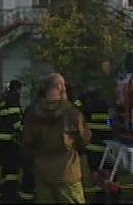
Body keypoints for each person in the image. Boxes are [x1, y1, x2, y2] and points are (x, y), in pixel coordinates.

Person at [21, 73, 91, 204]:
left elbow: (26, 143)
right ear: (60, 87)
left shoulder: (32, 114)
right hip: (67, 174)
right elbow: (84, 139)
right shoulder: (72, 114)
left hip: (43, 174)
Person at [80, 85, 111, 198]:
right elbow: (110, 122)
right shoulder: (107, 105)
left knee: (94, 169)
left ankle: (99, 191)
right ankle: (112, 191)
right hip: (107, 144)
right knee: (108, 169)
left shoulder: (87, 108)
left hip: (93, 145)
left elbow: (82, 124)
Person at [0, 80, 25, 202]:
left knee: (6, 168)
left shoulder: (4, 100)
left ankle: (5, 190)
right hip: (10, 139)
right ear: (18, 89)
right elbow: (15, 120)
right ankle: (11, 193)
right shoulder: (13, 98)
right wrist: (23, 131)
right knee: (12, 168)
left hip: (2, 139)